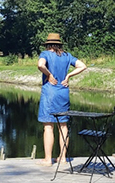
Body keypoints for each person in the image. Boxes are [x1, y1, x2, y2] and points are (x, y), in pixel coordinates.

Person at [36, 33, 87, 166]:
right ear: (59, 44)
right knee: (63, 125)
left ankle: (48, 159)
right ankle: (63, 157)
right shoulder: (66, 55)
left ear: (48, 44)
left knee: (48, 126)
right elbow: (82, 66)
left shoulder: (45, 54)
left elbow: (40, 65)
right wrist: (69, 75)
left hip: (50, 93)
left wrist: (49, 74)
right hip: (63, 92)